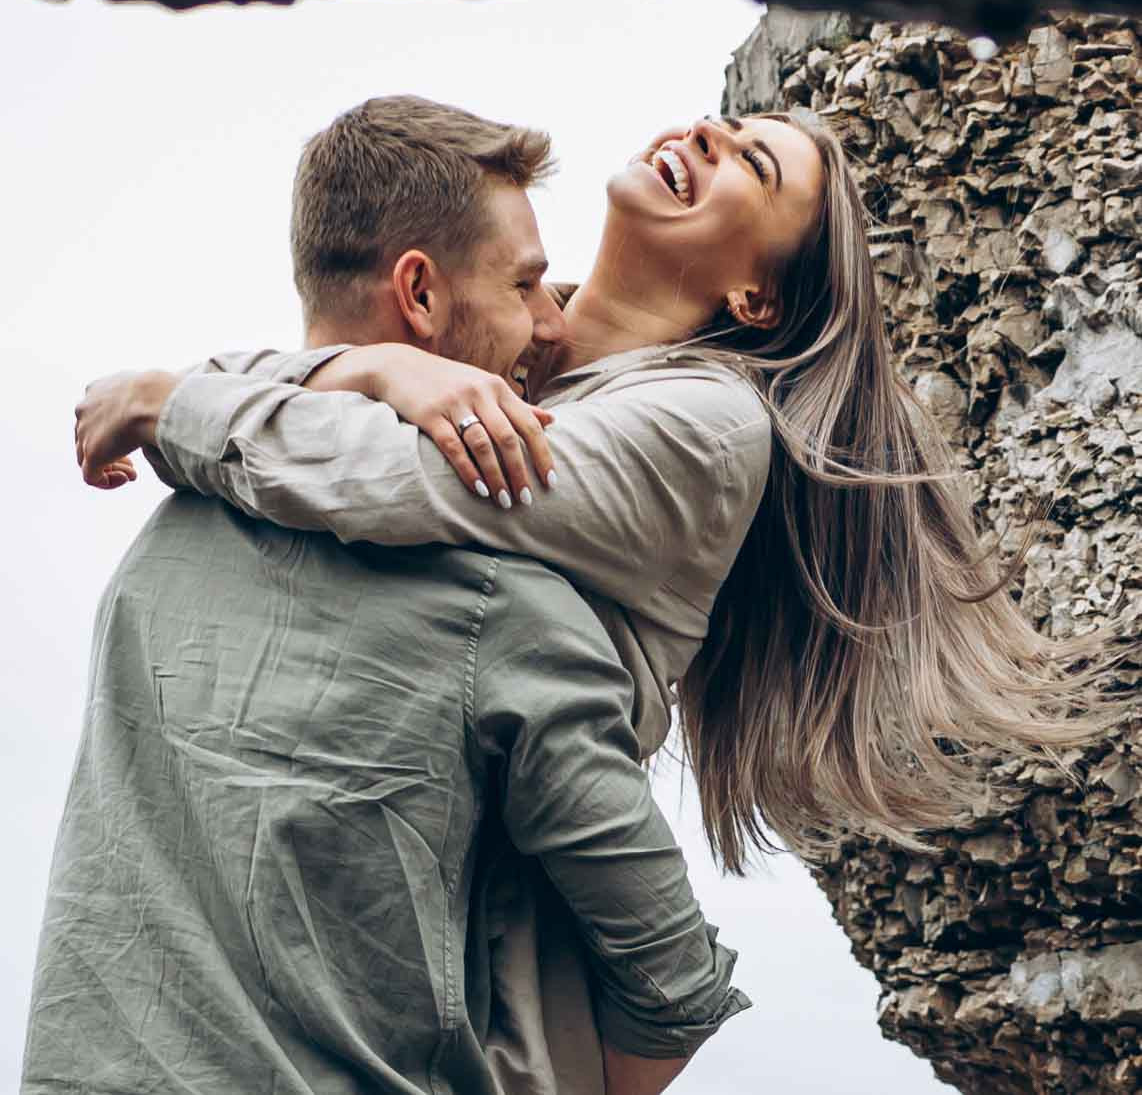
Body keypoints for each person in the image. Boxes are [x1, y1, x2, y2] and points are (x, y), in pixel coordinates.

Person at [70, 97, 1118, 1093]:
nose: (707, 133)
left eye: (752, 164)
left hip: (500, 981)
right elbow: (282, 392)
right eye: (724, 124)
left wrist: (180, 397)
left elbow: (393, 481)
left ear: (753, 297)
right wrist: (379, 368)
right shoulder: (513, 347)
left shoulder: (702, 424)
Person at [24, 98, 753, 1095]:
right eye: (529, 282)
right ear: (418, 291)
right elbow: (673, 983)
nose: (550, 325)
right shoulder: (504, 612)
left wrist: (325, 371)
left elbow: (280, 423)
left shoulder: (163, 540)